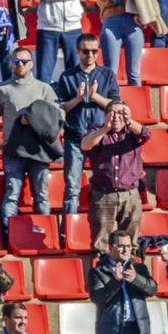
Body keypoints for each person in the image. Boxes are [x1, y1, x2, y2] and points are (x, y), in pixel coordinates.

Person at [0, 46, 60, 235]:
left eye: (24, 61)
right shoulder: (3, 89)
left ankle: (45, 234)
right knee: (12, 194)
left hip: (39, 151)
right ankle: (7, 233)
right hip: (13, 151)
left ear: (32, 64)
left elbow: (58, 117)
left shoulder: (45, 89)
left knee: (41, 196)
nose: (20, 65)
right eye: (16, 61)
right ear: (11, 64)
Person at [55, 33, 120, 217]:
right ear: (78, 51)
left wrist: (94, 97)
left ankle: (105, 228)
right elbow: (60, 107)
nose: (90, 55)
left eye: (94, 51)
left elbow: (116, 104)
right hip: (74, 137)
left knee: (105, 185)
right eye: (85, 51)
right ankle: (67, 230)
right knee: (72, 188)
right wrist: (78, 98)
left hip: (101, 137)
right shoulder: (67, 76)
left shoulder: (107, 74)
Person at [88, 230, 156, 334]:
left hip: (138, 329)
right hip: (111, 330)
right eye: (120, 246)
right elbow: (98, 298)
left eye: (128, 246)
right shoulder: (98, 271)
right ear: (110, 248)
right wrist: (115, 282)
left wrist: (136, 279)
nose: (125, 250)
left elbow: (152, 289)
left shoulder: (139, 268)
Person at [83, 104, 151, 253]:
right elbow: (85, 145)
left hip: (130, 194)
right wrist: (105, 129)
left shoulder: (132, 132)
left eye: (121, 113)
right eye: (112, 113)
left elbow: (146, 134)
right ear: (105, 115)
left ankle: (129, 271)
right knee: (101, 241)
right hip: (103, 194)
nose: (117, 117)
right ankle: (102, 272)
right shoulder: (97, 132)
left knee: (131, 242)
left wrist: (129, 121)